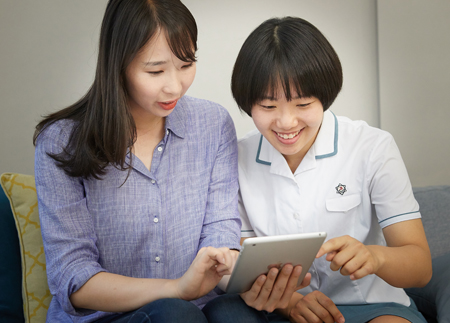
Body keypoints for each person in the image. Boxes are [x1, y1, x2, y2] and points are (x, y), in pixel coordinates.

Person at [33, 1, 306, 322]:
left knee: (235, 313)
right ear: (117, 64)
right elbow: (74, 277)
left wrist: (259, 280)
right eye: (155, 70)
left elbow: (220, 234)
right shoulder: (61, 141)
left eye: (186, 64)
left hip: (200, 307)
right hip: (106, 317)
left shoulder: (213, 123)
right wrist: (176, 288)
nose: (175, 86)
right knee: (175, 313)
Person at [231, 16, 432, 323]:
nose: (286, 123)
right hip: (282, 311)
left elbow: (420, 267)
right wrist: (290, 303)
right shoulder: (236, 158)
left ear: (325, 96)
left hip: (372, 306)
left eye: (303, 105)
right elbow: (242, 268)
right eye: (268, 107)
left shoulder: (372, 147)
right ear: (248, 103)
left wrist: (375, 257)